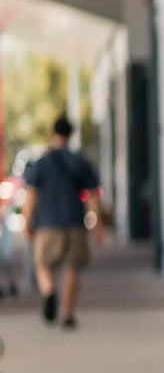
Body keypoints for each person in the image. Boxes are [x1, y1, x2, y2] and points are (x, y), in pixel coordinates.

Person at [22, 116, 101, 329]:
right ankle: (67, 313)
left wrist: (26, 221)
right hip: (74, 222)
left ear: (52, 132)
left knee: (42, 264)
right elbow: (93, 196)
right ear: (71, 134)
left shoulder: (42, 162)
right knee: (73, 267)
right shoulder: (80, 162)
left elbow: (31, 196)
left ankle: (48, 291)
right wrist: (98, 225)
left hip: (47, 223)